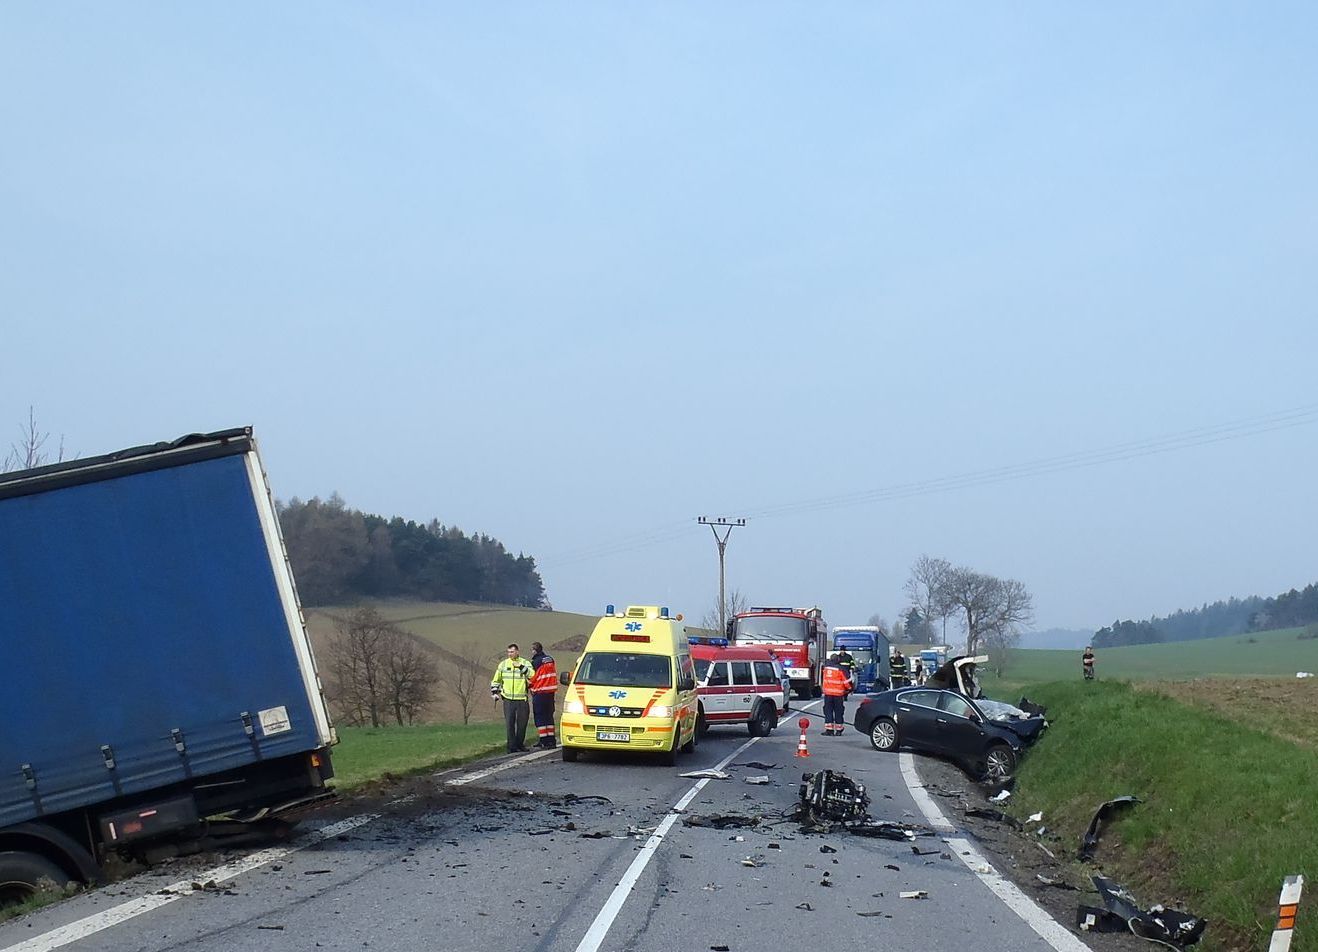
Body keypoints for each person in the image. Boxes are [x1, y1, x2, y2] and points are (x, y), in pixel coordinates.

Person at [491, 643, 535, 753]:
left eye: (512, 652)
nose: (510, 654)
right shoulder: (503, 664)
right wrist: (495, 692)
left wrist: (520, 666)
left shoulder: (525, 663)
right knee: (509, 723)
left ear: (517, 652)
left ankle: (520, 744)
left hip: (521, 699)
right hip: (508, 699)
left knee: (522, 724)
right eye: (509, 652)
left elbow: (532, 675)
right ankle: (511, 747)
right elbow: (496, 680)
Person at [528, 641, 558, 749]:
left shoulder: (536, 662)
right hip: (550, 693)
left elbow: (533, 677)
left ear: (534, 650)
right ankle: (551, 740)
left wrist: (528, 685)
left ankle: (543, 740)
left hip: (540, 692)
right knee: (549, 716)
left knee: (540, 717)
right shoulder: (550, 659)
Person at [820, 652, 854, 736]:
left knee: (828, 711)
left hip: (828, 694)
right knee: (839, 711)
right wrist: (850, 689)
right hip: (838, 695)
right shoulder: (840, 669)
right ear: (838, 660)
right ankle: (839, 730)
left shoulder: (826, 669)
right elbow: (846, 682)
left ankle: (829, 729)